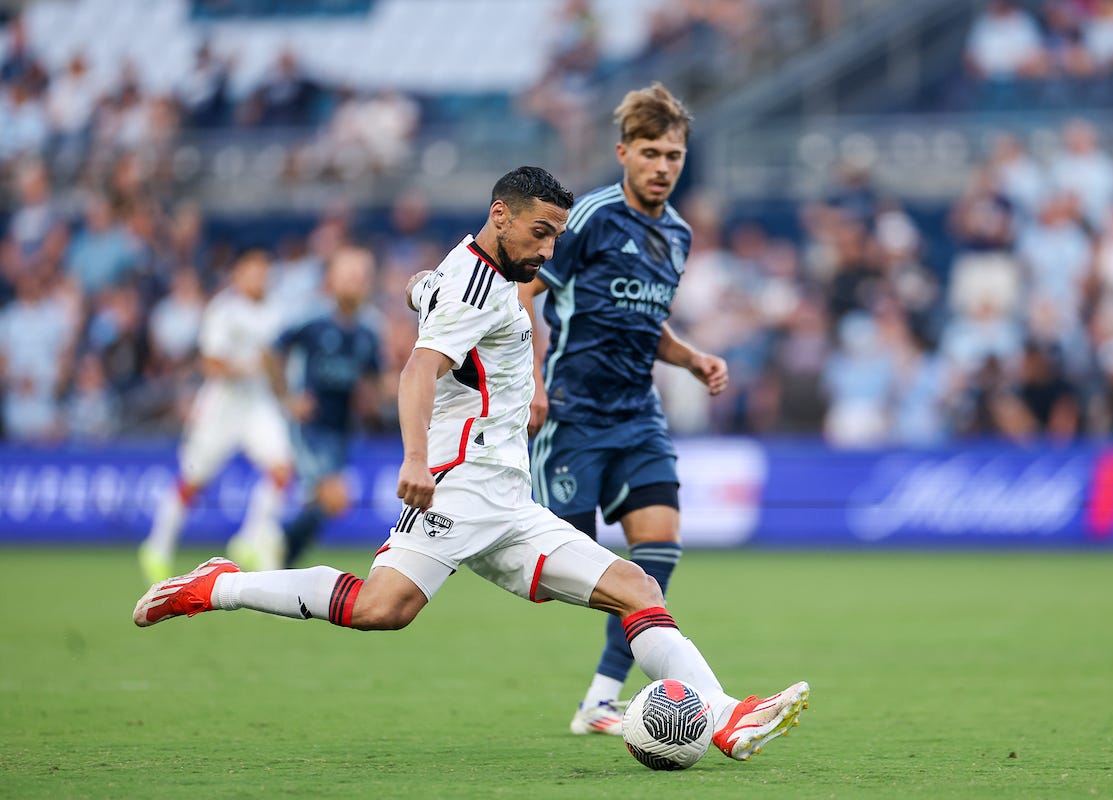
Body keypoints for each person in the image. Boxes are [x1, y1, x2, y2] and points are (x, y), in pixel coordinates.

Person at [133, 166, 808, 763]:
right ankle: (217, 586)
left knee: (636, 587)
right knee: (380, 609)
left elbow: (439, 295)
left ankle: (722, 718)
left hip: (506, 497)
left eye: (555, 238)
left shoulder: (476, 268)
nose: (547, 251)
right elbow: (417, 369)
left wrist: (499, 358)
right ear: (499, 217)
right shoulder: (471, 290)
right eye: (539, 234)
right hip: (455, 488)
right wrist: (417, 459)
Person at [516, 84, 730, 736]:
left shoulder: (679, 234)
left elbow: (645, 323)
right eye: (650, 152)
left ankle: (601, 700)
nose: (663, 166)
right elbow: (523, 293)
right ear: (623, 153)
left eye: (674, 154)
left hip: (638, 414)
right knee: (566, 566)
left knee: (657, 551)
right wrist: (530, 381)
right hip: (574, 413)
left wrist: (691, 358)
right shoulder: (589, 219)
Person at [138, 248, 293, 584]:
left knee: (282, 471)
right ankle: (157, 548)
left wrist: (286, 396)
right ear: (237, 274)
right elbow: (209, 363)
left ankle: (250, 538)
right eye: (252, 271)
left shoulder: (277, 312)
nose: (258, 277)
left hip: (258, 405)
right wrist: (249, 366)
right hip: (222, 406)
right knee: (193, 480)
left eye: (263, 271)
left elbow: (277, 365)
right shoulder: (224, 311)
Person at [271, 245, 383, 566]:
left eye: (362, 276)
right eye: (349, 275)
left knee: (322, 506)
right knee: (336, 497)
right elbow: (271, 352)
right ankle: (271, 546)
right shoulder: (312, 319)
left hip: (343, 429)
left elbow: (372, 379)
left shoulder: (370, 328)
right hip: (310, 427)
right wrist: (288, 398)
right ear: (332, 279)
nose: (356, 282)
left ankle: (280, 560)